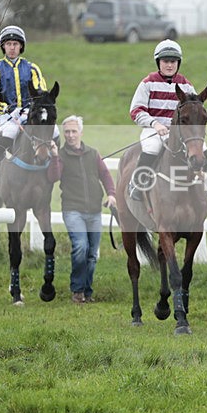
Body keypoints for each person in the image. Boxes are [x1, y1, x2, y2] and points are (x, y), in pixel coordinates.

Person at [49, 116, 117, 304]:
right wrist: (54, 156)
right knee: (81, 246)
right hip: (73, 210)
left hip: (94, 210)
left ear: (81, 132)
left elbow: (105, 174)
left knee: (92, 254)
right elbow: (53, 177)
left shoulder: (93, 153)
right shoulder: (60, 156)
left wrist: (111, 194)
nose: (70, 135)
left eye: (74, 131)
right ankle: (77, 290)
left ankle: (87, 291)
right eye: (67, 132)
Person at [128, 39, 198, 200]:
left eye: (173, 61)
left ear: (178, 63)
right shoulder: (147, 83)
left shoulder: (186, 85)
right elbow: (136, 110)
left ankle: (202, 183)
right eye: (166, 61)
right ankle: (137, 183)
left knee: (202, 147)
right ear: (158, 62)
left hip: (178, 132)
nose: (170, 65)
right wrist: (155, 123)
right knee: (152, 147)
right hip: (153, 129)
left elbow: (194, 110)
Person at [0, 25, 55, 179]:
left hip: (30, 112)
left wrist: (35, 108)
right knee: (10, 131)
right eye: (8, 44)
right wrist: (6, 109)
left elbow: (41, 94)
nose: (12, 48)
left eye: (15, 44)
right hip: (8, 114)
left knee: (54, 131)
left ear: (21, 46)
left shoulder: (32, 69)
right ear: (3, 46)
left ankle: (56, 161)